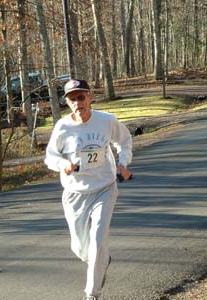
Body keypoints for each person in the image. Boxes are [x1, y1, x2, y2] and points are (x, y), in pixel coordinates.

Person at [44, 79, 133, 300]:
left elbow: (125, 140)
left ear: (90, 97)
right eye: (72, 99)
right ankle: (101, 261)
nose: (78, 103)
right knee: (80, 248)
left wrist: (123, 161)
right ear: (67, 103)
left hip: (104, 188)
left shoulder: (106, 121)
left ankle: (92, 294)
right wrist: (62, 164)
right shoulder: (63, 127)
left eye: (81, 97)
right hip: (75, 194)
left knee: (98, 240)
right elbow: (50, 156)